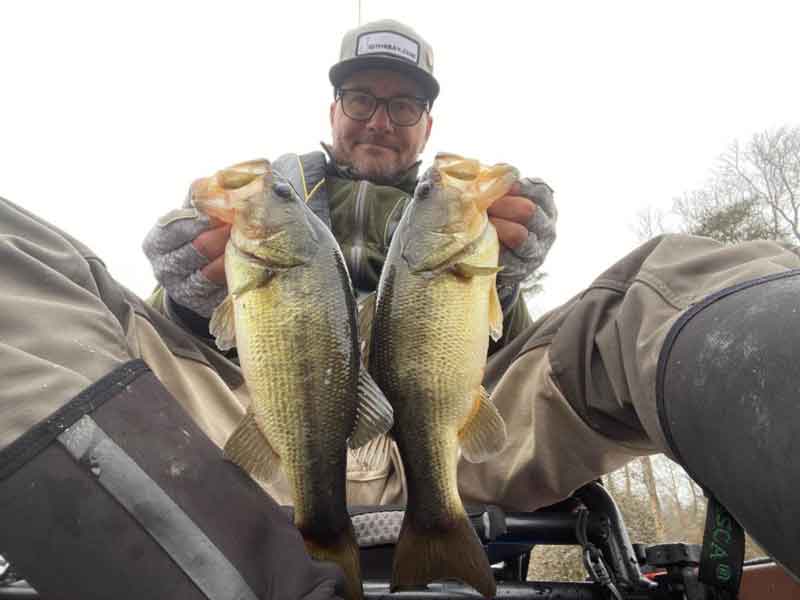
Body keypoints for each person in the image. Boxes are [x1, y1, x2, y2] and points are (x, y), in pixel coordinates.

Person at [0, 18, 797, 600]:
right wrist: (185, 297)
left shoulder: (463, 208)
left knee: (680, 269)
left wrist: (502, 287)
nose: (380, 119)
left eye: (404, 107)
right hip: (257, 435)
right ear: (333, 109)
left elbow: (501, 365)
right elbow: (151, 349)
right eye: (360, 98)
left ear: (427, 125)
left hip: (449, 442)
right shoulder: (266, 201)